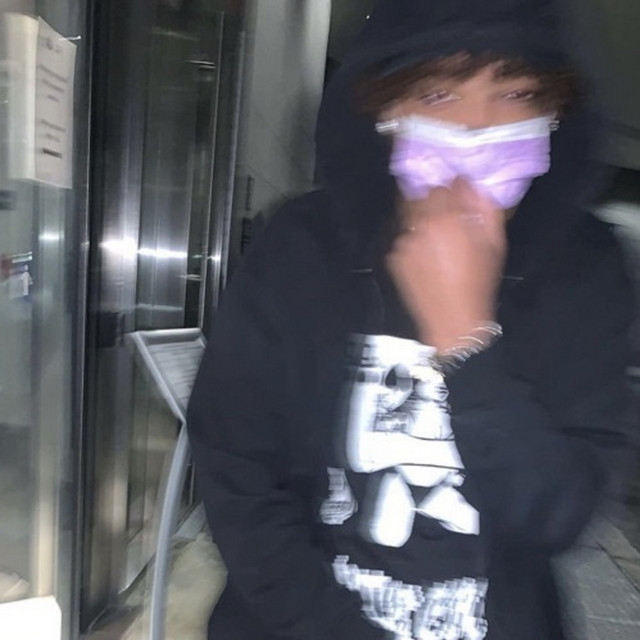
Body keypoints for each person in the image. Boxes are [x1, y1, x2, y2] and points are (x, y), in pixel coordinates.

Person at [187, 1, 637, 639]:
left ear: (554, 113)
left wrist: (466, 338)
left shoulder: (585, 265)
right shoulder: (300, 248)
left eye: (516, 93)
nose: (477, 126)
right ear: (387, 110)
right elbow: (239, 481)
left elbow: (561, 517)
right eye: (438, 93)